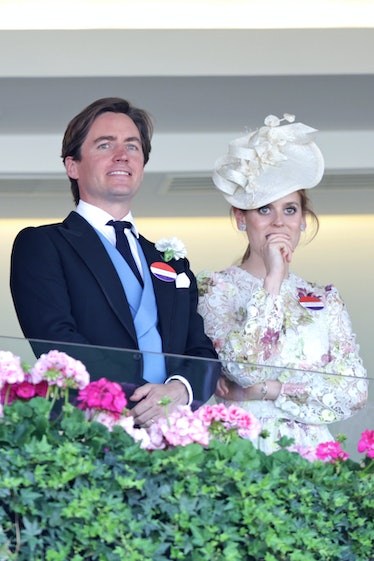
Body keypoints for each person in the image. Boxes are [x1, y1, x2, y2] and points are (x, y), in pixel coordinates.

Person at [10, 96, 219, 426]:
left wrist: (178, 390)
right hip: (87, 427)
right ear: (72, 165)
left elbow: (201, 351)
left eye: (132, 146)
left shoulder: (172, 261)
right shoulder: (43, 244)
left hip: (172, 435)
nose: (122, 155)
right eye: (105, 145)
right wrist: (142, 397)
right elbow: (55, 339)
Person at [197, 113, 368, 453]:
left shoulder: (324, 299)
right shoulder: (213, 289)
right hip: (240, 447)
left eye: (290, 210)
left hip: (311, 454)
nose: (278, 222)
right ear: (240, 218)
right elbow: (245, 368)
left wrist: (272, 389)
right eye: (264, 210)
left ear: (303, 221)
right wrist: (273, 280)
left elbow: (354, 392)